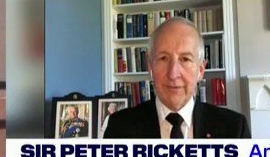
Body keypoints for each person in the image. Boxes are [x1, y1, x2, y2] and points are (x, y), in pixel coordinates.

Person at [103, 17, 249, 138]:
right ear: (150, 66)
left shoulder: (235, 129)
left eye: (185, 59)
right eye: (163, 58)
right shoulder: (119, 127)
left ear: (200, 70)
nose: (173, 74)